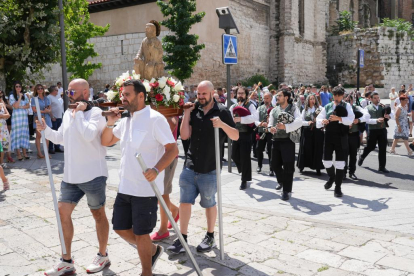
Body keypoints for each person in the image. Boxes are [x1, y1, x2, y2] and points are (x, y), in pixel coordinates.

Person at [101, 79, 177, 276]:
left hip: (146, 189)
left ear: (141, 96)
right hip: (125, 186)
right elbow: (106, 141)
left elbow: (172, 149)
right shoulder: (125, 120)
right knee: (120, 228)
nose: (123, 98)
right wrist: (110, 123)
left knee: (142, 233)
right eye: (122, 95)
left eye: (127, 95)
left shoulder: (155, 119)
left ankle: (146, 272)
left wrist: (157, 169)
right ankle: (151, 250)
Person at [39, 78, 110, 275]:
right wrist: (45, 130)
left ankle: (103, 255)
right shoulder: (68, 113)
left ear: (85, 93)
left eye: (71, 92)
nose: (67, 95)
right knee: (63, 213)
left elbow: (88, 135)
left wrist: (78, 114)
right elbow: (60, 138)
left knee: (98, 214)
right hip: (70, 176)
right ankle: (66, 260)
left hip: (93, 175)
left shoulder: (96, 113)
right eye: (67, 92)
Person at [167, 80, 238, 254]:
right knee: (184, 201)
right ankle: (182, 238)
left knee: (208, 203)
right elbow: (184, 135)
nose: (200, 97)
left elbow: (235, 136)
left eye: (204, 94)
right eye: (198, 94)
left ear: (212, 93)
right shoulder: (195, 110)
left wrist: (221, 125)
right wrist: (186, 114)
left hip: (210, 167)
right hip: (190, 165)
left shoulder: (222, 111)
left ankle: (210, 236)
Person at [316, 86, 355, 197]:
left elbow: (351, 119)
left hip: (341, 137)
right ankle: (332, 177)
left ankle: (338, 187)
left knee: (340, 163)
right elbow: (318, 120)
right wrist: (322, 121)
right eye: (335, 95)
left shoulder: (347, 106)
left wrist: (339, 119)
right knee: (326, 161)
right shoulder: (327, 106)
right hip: (328, 136)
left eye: (339, 95)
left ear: (342, 96)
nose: (337, 97)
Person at [150, 116, 180, 241]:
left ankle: (163, 230)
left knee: (163, 193)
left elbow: (172, 125)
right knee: (155, 193)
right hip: (153, 156)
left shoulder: (171, 108)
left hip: (167, 157)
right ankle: (174, 210)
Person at [269, 89, 302, 201]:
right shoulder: (274, 110)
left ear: (286, 97)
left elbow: (299, 122)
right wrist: (271, 129)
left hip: (288, 140)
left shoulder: (294, 108)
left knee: (288, 166)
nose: (277, 97)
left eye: (279, 96)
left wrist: (286, 127)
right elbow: (270, 124)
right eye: (277, 96)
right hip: (276, 139)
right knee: (274, 164)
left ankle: (286, 191)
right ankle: (282, 181)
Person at [230, 86, 258, 190]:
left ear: (246, 95)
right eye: (239, 93)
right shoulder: (233, 106)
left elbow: (255, 117)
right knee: (234, 155)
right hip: (236, 133)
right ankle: (244, 171)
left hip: (246, 134)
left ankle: (244, 180)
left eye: (242, 93)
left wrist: (241, 119)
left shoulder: (250, 105)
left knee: (245, 157)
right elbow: (229, 117)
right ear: (236, 95)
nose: (240, 95)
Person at [358, 92, 391, 173]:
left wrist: (388, 116)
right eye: (375, 98)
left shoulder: (383, 107)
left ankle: (382, 167)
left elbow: (391, 115)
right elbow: (366, 120)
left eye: (378, 97)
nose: (377, 99)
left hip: (382, 129)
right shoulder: (367, 108)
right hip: (372, 130)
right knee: (370, 146)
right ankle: (362, 156)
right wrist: (376, 120)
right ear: (371, 99)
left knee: (383, 148)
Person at [297, 94, 324, 175]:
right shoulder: (305, 110)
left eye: (313, 99)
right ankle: (302, 166)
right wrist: (308, 122)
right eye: (311, 99)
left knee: (317, 149)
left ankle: (317, 167)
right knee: (305, 148)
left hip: (317, 132)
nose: (312, 100)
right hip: (307, 131)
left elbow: (323, 119)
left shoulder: (320, 109)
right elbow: (301, 121)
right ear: (308, 100)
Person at [344, 93, 369, 180]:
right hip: (344, 135)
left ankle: (352, 172)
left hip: (354, 135)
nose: (348, 102)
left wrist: (358, 120)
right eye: (346, 100)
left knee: (353, 155)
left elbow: (367, 115)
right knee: (343, 155)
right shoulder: (341, 108)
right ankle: (343, 173)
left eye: (350, 100)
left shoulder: (356, 108)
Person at [9, 81, 30, 160]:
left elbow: (28, 106)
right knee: (17, 134)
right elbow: (16, 106)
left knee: (24, 133)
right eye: (17, 86)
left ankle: (25, 153)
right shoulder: (12, 96)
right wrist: (20, 97)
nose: (18, 88)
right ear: (14, 88)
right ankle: (18, 154)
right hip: (16, 118)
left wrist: (21, 106)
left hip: (24, 117)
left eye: (19, 86)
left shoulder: (25, 95)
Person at [255, 92, 274, 175]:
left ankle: (271, 168)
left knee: (271, 151)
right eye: (264, 98)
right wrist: (261, 123)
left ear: (271, 98)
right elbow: (255, 119)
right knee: (259, 149)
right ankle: (259, 165)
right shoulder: (259, 108)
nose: (265, 100)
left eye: (267, 98)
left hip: (270, 132)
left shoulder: (275, 108)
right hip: (261, 131)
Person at [31, 84, 52, 159]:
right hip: (38, 118)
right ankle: (39, 153)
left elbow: (50, 109)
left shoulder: (47, 98)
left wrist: (48, 111)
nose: (40, 90)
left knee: (47, 136)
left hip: (47, 118)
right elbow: (34, 109)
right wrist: (43, 111)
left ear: (43, 89)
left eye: (41, 88)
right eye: (38, 88)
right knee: (39, 136)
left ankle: (46, 153)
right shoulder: (34, 98)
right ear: (36, 90)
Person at [48, 85, 64, 154]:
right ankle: (51, 148)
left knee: (58, 133)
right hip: (54, 118)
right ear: (53, 91)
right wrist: (52, 116)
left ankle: (57, 147)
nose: (58, 91)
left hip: (59, 117)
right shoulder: (49, 97)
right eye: (56, 90)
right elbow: (49, 108)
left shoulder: (56, 97)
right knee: (53, 133)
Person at [0, 90, 12, 167]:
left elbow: (8, 115)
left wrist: (2, 116)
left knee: (3, 145)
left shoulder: (2, 104)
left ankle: (2, 162)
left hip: (3, 127)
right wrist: (3, 116)